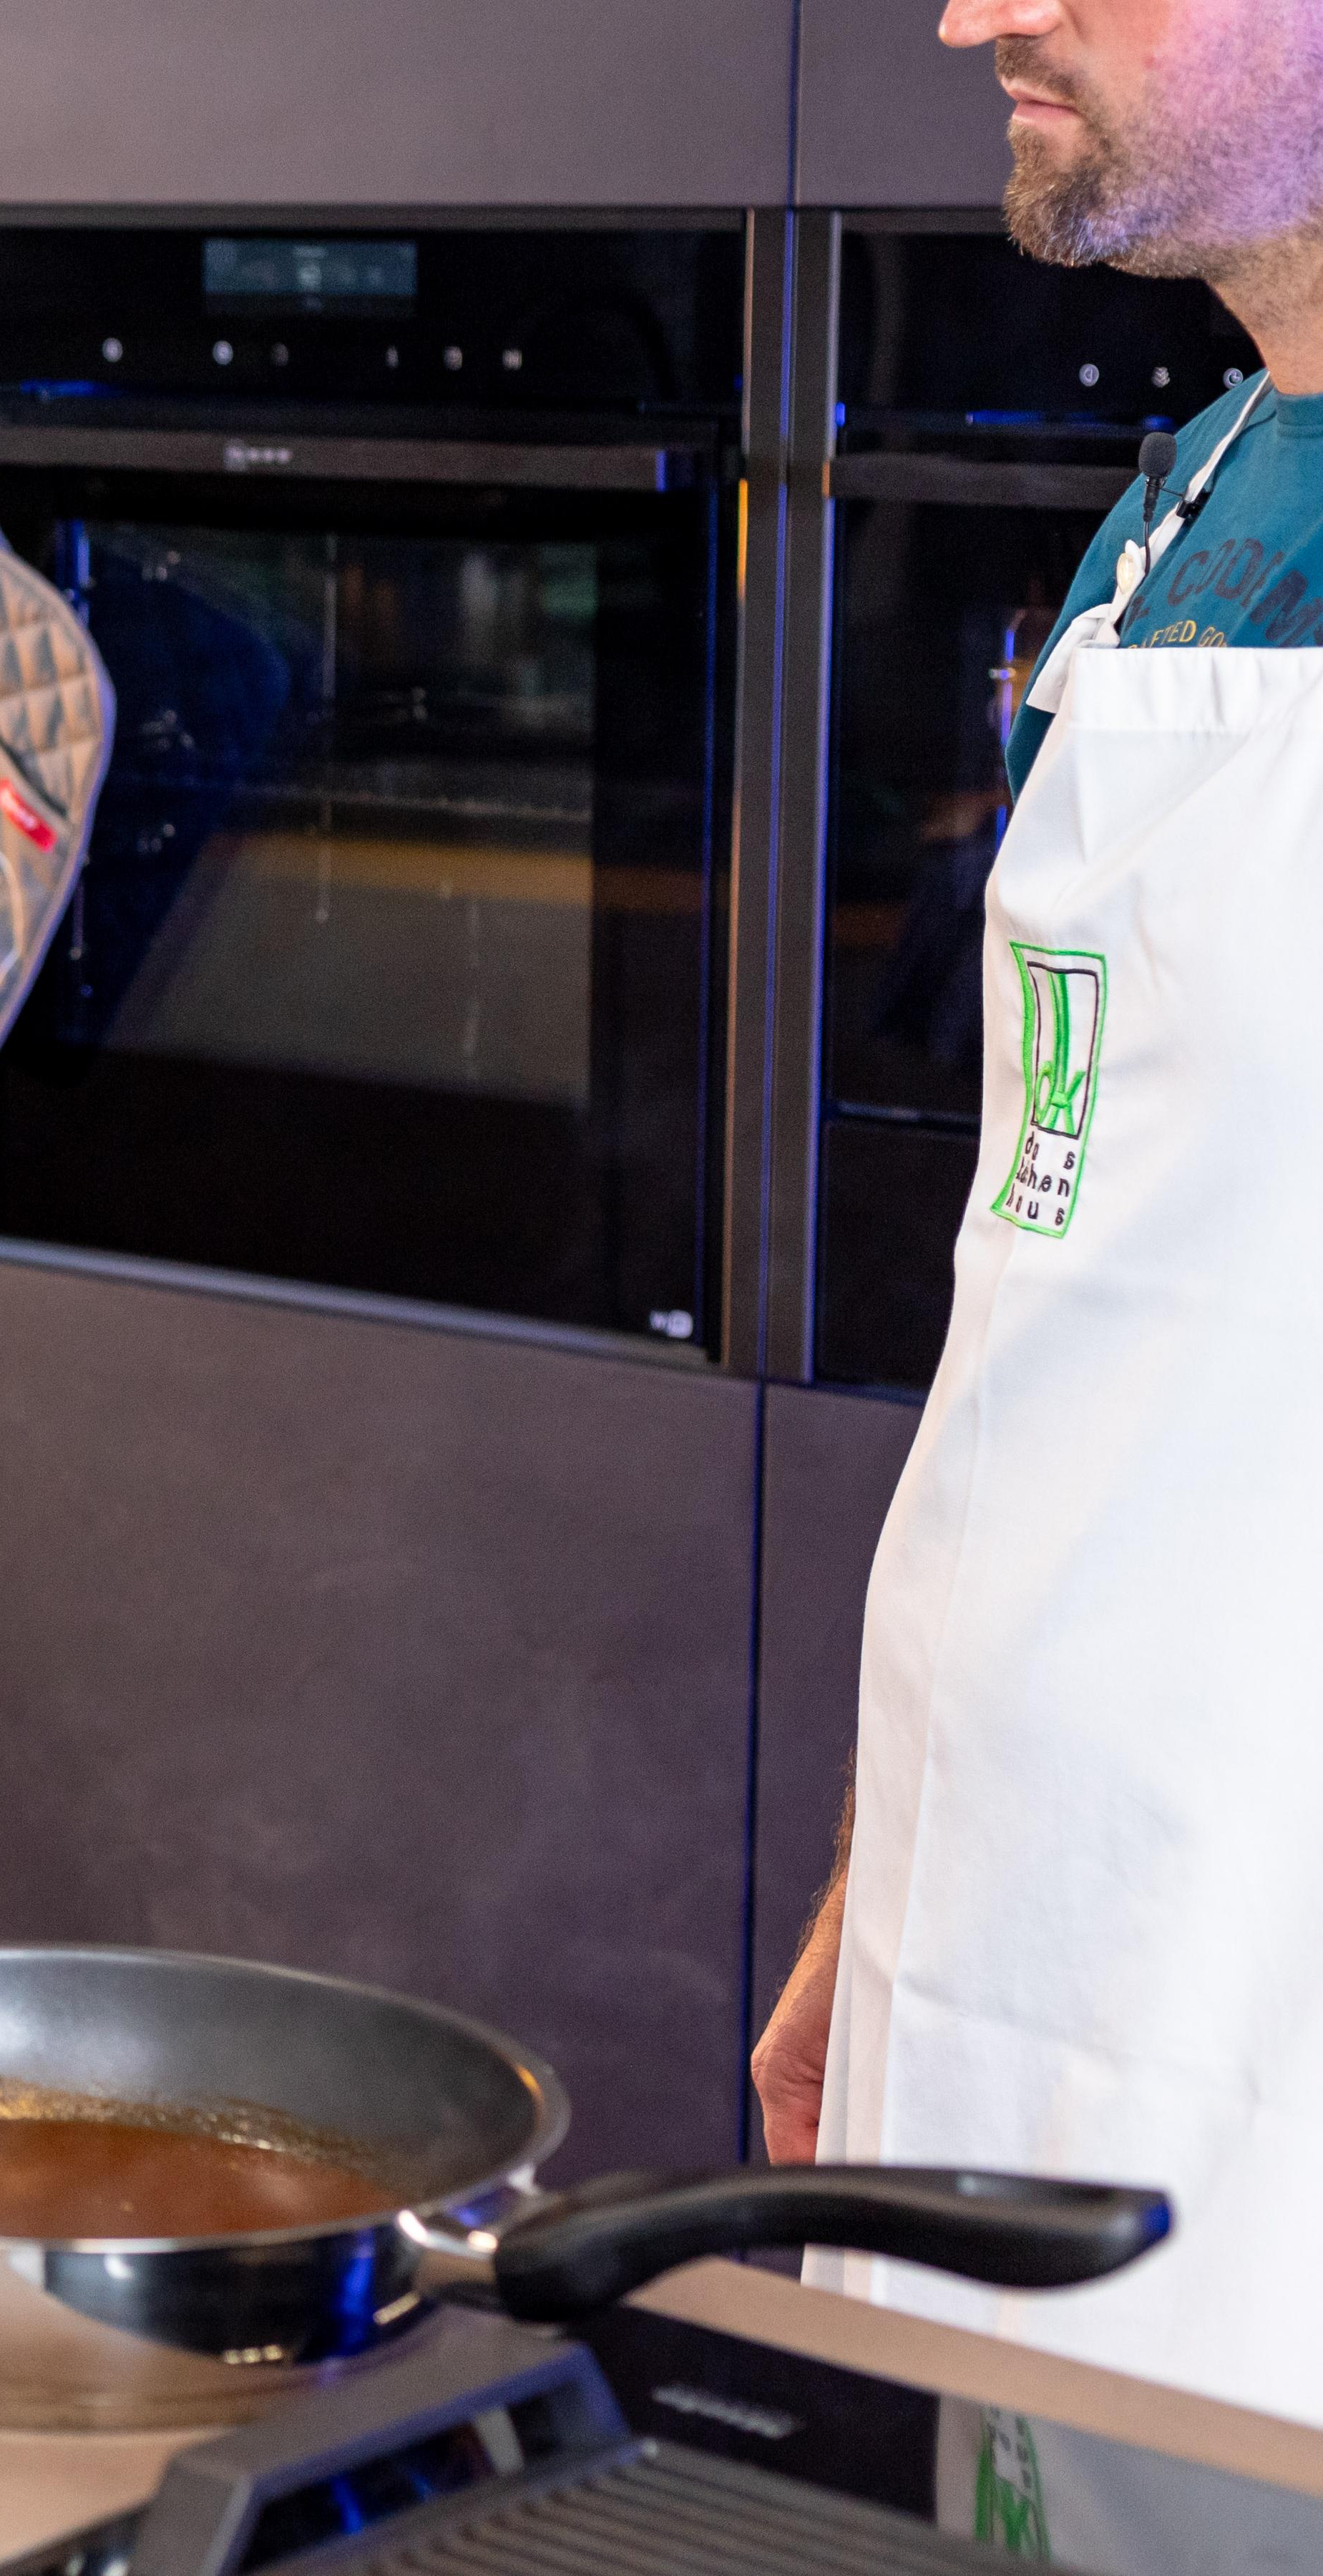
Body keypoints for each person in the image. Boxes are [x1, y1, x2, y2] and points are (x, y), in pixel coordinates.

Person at [751, 0, 1323, 2422]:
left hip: (1263, 2006)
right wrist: (895, 1860)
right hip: (1007, 1922)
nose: (975, 7)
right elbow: (1059, 1292)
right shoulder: (1204, 491)